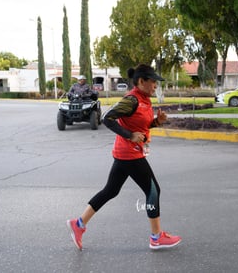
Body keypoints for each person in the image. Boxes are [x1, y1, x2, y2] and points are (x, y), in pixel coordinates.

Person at [66, 64, 182, 250]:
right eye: (153, 82)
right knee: (153, 191)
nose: (155, 86)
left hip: (125, 153)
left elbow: (140, 125)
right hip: (130, 153)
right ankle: (156, 237)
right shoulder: (132, 100)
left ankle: (78, 224)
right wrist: (130, 136)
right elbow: (107, 118)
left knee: (111, 190)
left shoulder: (144, 100)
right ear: (141, 81)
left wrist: (156, 122)